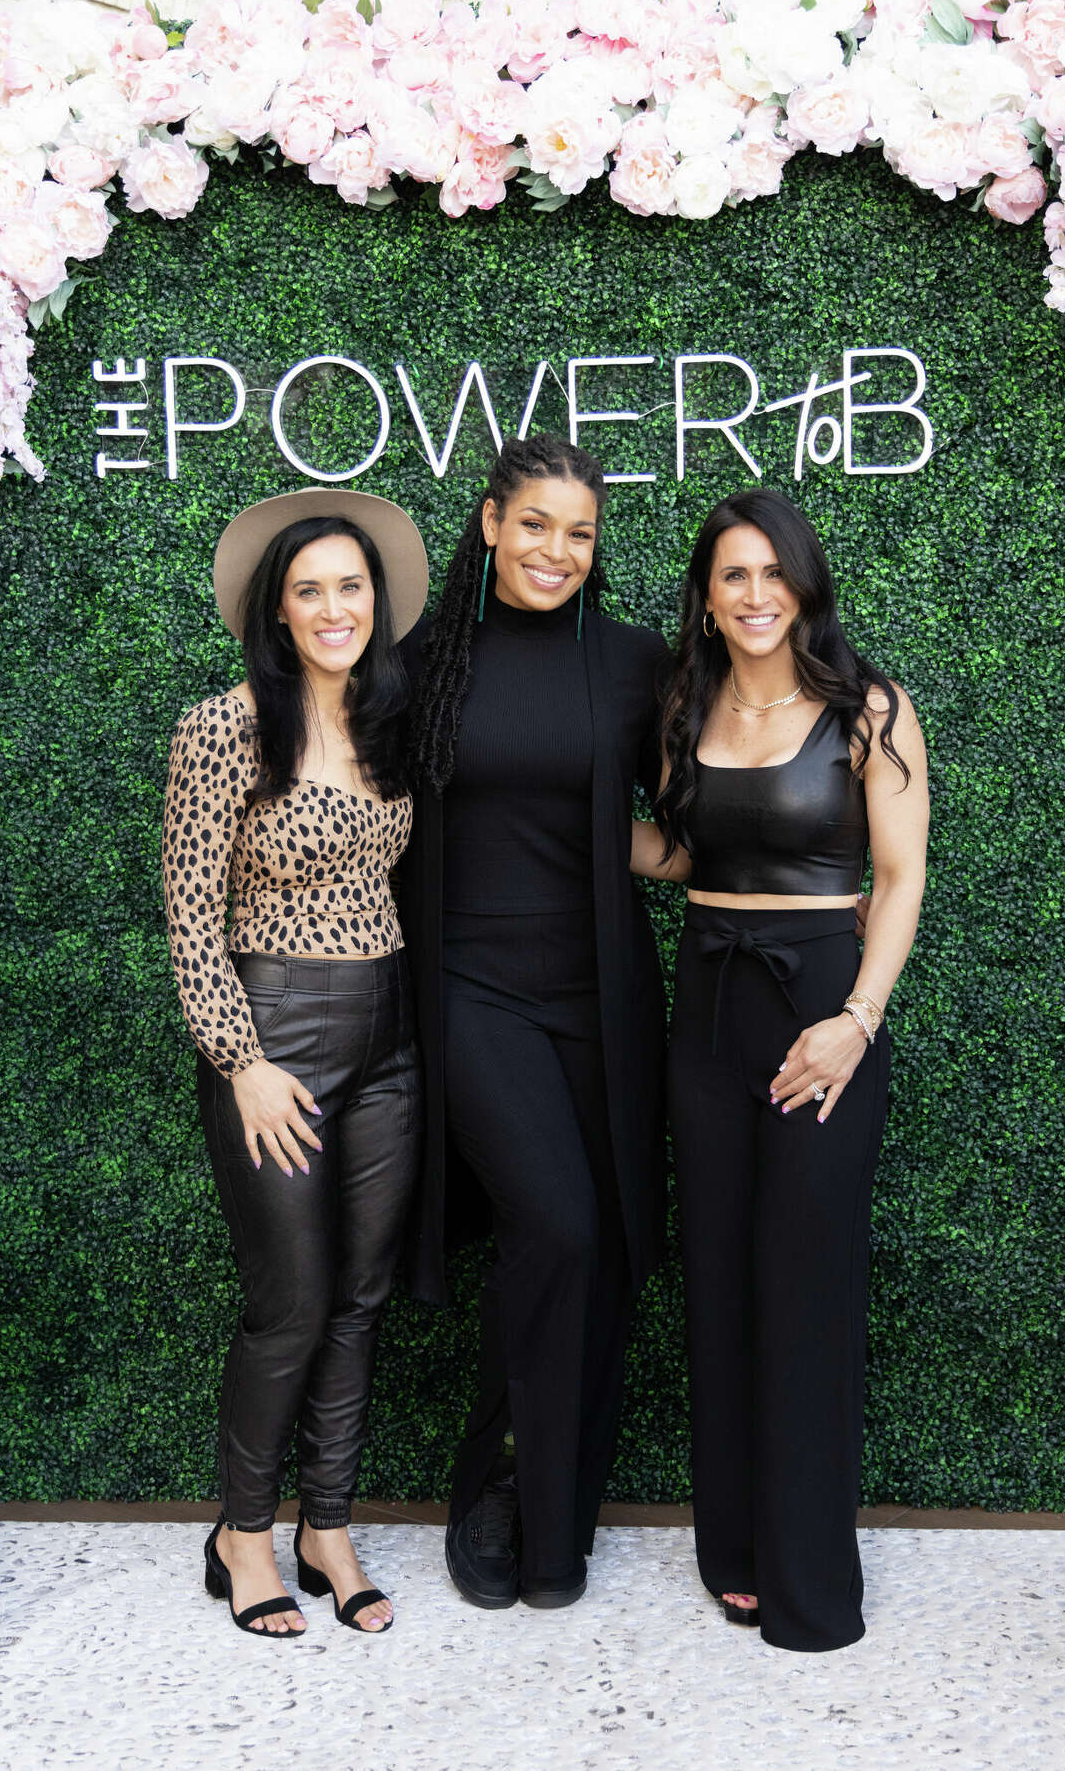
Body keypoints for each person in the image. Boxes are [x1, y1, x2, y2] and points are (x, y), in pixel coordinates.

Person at [632, 487, 928, 1652]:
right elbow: (684, 854)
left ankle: (812, 1579)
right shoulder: (682, 703)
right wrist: (572, 824)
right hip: (707, 1004)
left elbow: (899, 879)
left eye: (773, 572)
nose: (755, 595)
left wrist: (856, 1018)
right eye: (732, 575)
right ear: (705, 595)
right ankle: (736, 1549)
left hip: (821, 1011)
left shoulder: (870, 708)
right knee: (719, 1282)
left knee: (806, 1292)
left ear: (804, 582)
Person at [397, 433, 670, 1609]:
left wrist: (794, 884)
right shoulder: (416, 666)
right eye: (537, 524)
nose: (557, 550)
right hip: (469, 989)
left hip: (602, 994)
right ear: (493, 523)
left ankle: (558, 1521)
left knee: (599, 1251)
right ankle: (494, 1482)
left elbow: (673, 823)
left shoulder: (631, 662)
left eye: (581, 532)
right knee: (554, 1223)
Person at [161, 488, 428, 1637]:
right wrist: (242, 1060)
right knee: (291, 1304)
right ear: (277, 608)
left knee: (361, 1299)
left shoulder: (388, 718)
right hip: (278, 1034)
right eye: (310, 588)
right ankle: (245, 1533)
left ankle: (327, 1524)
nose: (333, 607)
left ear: (377, 602)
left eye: (350, 587)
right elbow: (188, 913)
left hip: (391, 1035)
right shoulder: (221, 728)